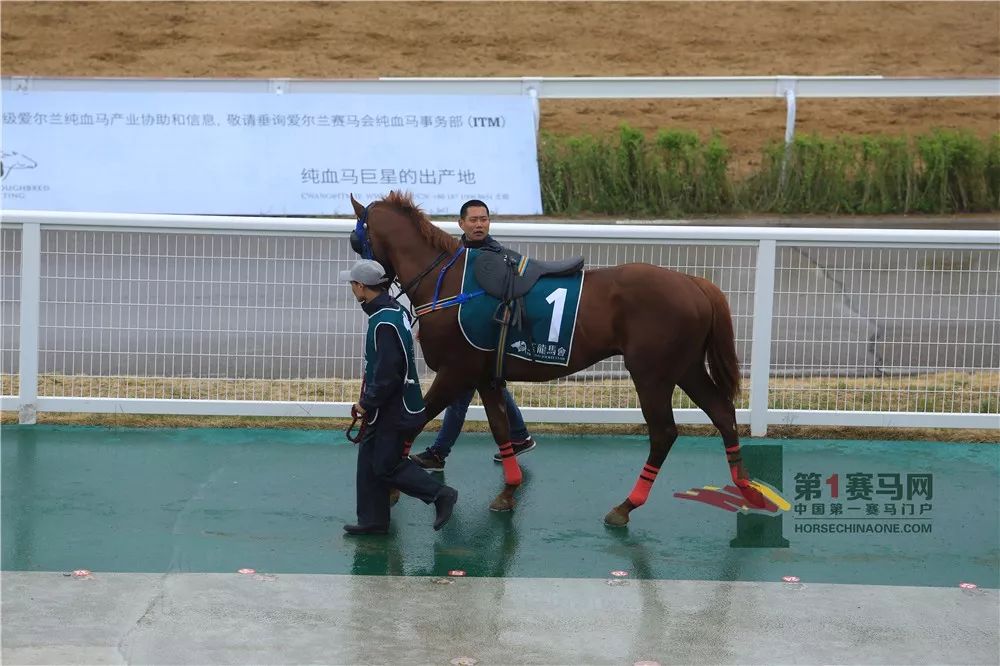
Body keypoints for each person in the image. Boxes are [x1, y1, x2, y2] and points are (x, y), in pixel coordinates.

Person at [410, 199, 537, 472]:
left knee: (459, 394)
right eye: (474, 220)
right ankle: (520, 436)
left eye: (484, 219)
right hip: (463, 341)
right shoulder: (454, 255)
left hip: (482, 340)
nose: (479, 224)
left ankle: (438, 453)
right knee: (489, 387)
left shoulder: (496, 256)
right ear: (461, 224)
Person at [340, 259, 458, 535]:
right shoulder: (396, 310)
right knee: (368, 458)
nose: (352, 289)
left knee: (385, 465)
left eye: (352, 284)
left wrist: (367, 403)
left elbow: (388, 372)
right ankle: (373, 520)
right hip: (394, 403)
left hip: (391, 407)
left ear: (360, 287)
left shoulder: (382, 321)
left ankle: (441, 494)